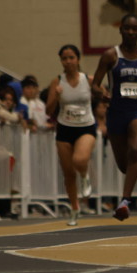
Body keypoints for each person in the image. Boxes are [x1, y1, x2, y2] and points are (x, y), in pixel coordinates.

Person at [92, 14, 137, 221]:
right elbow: (94, 84)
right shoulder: (110, 56)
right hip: (115, 113)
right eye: (127, 28)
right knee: (124, 165)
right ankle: (127, 193)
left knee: (135, 150)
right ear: (120, 30)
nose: (130, 32)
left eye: (134, 29)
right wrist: (102, 92)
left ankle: (125, 202)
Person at [47, 44, 98, 225]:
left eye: (71, 58)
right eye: (64, 58)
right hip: (65, 127)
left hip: (86, 126)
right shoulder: (57, 82)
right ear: (61, 61)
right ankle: (75, 209)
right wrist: (56, 97)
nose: (68, 61)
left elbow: (104, 96)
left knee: (80, 160)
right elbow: (48, 110)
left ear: (78, 59)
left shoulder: (88, 80)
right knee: (68, 173)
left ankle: (84, 177)